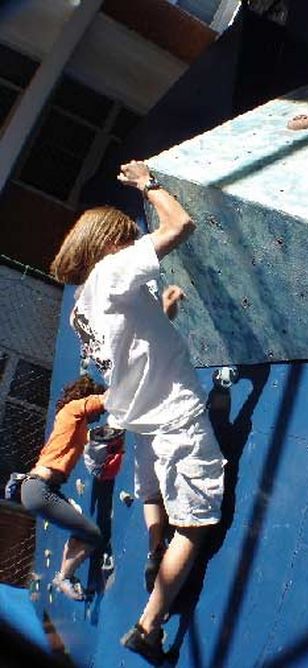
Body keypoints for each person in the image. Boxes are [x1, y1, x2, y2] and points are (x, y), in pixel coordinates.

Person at [50, 160, 226, 666]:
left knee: (152, 492)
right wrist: (150, 184)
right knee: (195, 524)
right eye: (126, 240)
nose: (131, 247)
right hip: (174, 415)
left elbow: (127, 347)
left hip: (141, 419)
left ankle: (154, 550)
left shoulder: (82, 306)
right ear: (109, 244)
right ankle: (150, 626)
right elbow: (179, 227)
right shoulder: (114, 269)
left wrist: (164, 312)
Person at [21, 375, 106, 601]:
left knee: (78, 523)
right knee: (93, 535)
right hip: (40, 489)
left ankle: (64, 575)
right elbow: (105, 401)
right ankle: (63, 577)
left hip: (41, 488)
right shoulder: (73, 409)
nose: (99, 416)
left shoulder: (75, 425)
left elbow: (88, 440)